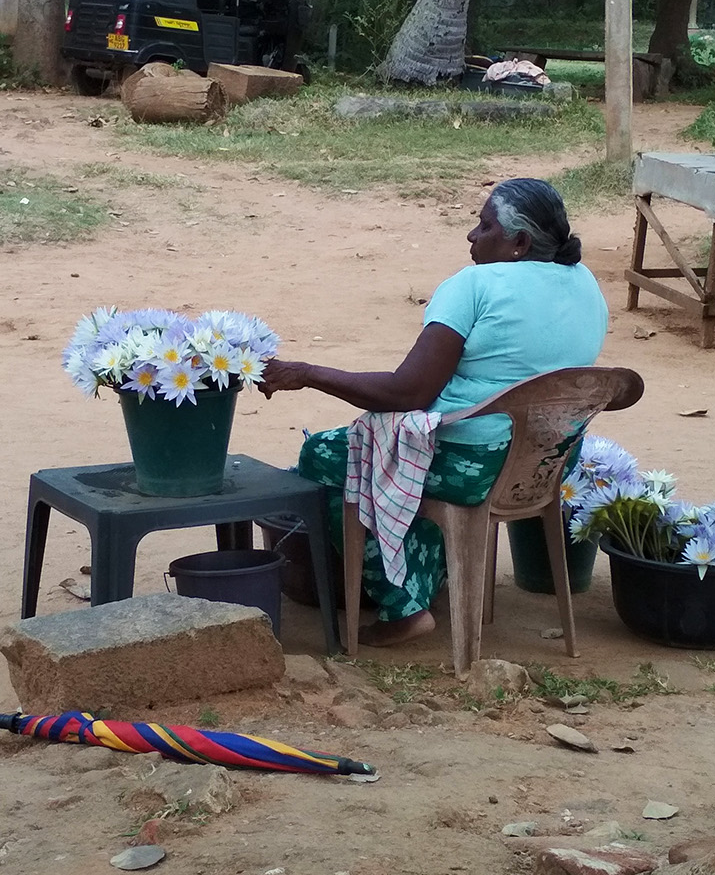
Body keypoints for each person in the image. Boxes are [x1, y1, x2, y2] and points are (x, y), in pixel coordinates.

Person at [257, 178, 609, 647]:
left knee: (323, 454)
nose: (471, 235)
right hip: (542, 464)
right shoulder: (584, 283)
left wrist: (307, 372)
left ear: (519, 242)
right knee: (397, 447)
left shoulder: (474, 286)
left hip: (473, 468)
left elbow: (408, 392)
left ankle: (403, 604)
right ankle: (424, 581)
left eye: (484, 226)